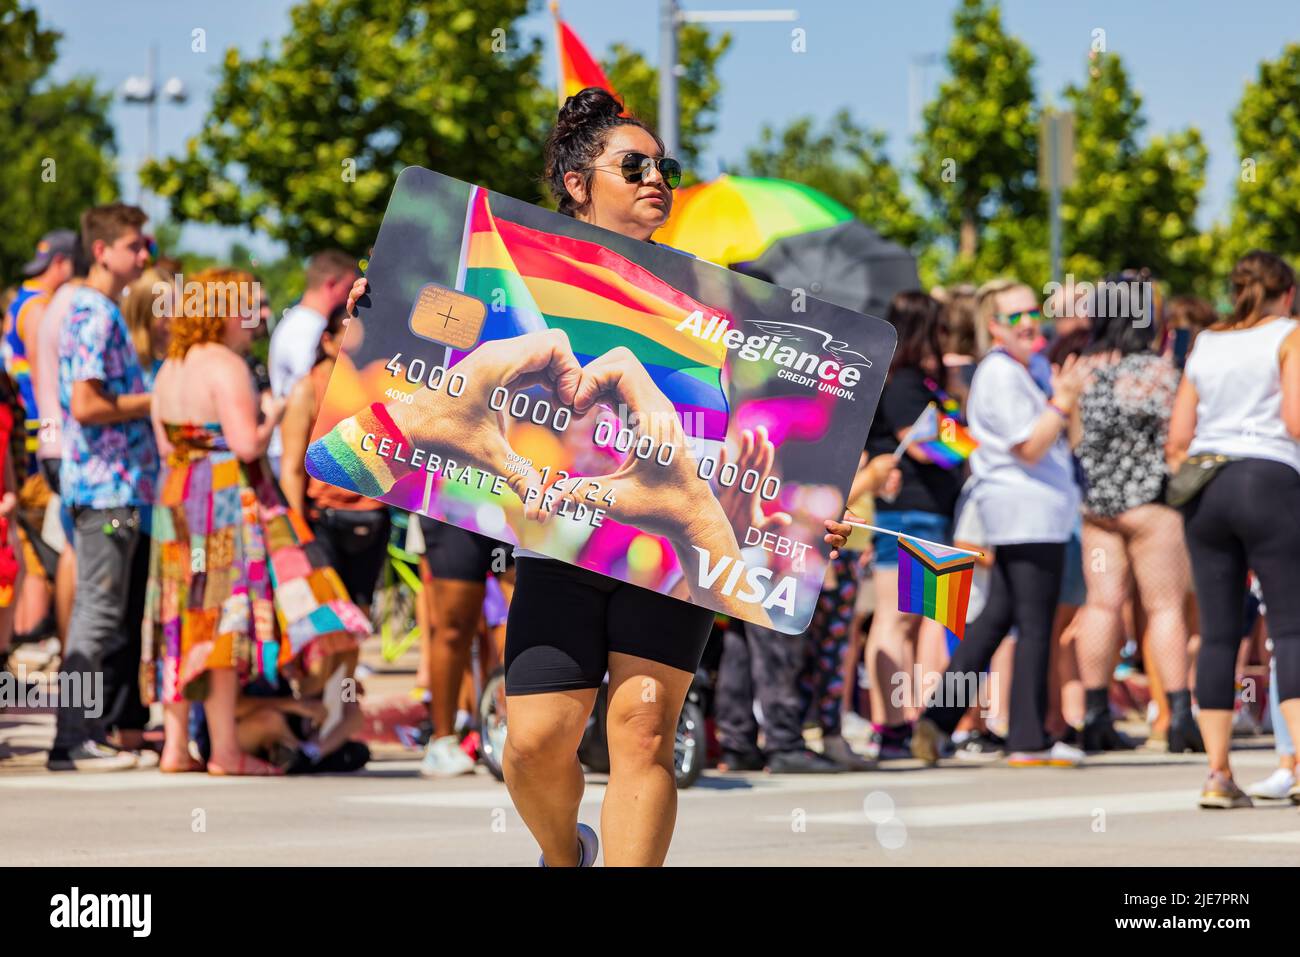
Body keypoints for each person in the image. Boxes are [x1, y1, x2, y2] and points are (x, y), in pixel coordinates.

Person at [341, 88, 852, 864]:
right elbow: (430, 337)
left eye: (665, 166)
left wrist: (790, 516)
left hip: (667, 556)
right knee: (534, 743)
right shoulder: (518, 273)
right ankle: (562, 853)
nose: (658, 178)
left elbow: (736, 454)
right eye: (634, 164)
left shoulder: (707, 303)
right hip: (559, 543)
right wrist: (378, 314)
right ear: (577, 184)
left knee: (644, 732)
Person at [143, 267, 372, 775]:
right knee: (221, 622)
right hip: (221, 503)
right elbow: (247, 444)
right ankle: (225, 751)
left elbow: (164, 445)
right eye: (249, 306)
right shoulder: (226, 365)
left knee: (180, 621)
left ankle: (176, 748)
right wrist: (274, 411)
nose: (258, 317)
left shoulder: (170, 367)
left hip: (176, 498)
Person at [911, 280, 1089, 767]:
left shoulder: (1027, 367)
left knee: (996, 621)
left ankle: (937, 719)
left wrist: (1063, 397)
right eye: (1016, 316)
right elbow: (1030, 447)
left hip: (1040, 510)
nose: (1030, 322)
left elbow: (1064, 442)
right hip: (1022, 511)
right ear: (994, 327)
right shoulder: (998, 373)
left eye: (1033, 312)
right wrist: (1064, 399)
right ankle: (1027, 739)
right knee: (1034, 624)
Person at [1166, 250, 1300, 809]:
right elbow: (1295, 420)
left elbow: (1178, 435)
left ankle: (1218, 773)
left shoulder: (1207, 342)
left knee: (1218, 632)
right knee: (1291, 628)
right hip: (1268, 479)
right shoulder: (1289, 334)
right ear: (1286, 293)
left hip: (1206, 486)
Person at [46, 204, 157, 771]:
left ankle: (84, 735)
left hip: (112, 487)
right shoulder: (93, 312)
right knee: (97, 616)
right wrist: (154, 400)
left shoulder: (96, 308)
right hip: (106, 487)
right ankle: (73, 740)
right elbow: (87, 405)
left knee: (105, 616)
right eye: (135, 246)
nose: (145, 256)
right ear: (101, 251)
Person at [1071, 281, 1201, 753]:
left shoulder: (1080, 370)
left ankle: (1094, 715)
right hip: (1150, 506)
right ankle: (1179, 718)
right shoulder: (1158, 373)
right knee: (1165, 607)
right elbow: (1181, 438)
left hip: (1095, 508)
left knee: (1102, 606)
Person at [862, 291, 964, 759]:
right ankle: (890, 726)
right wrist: (970, 441)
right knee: (896, 617)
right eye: (939, 327)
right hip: (907, 511)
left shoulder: (924, 383)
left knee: (925, 618)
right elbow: (929, 447)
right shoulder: (902, 382)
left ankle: (915, 724)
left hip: (932, 513)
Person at [279, 303, 390, 619]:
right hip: (324, 518)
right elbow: (291, 468)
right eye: (346, 333)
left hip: (371, 516)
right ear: (327, 340)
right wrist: (298, 533)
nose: (354, 341)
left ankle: (347, 672)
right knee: (328, 616)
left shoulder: (372, 381)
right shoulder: (307, 389)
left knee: (360, 614)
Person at [266, 250, 357, 475]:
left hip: (296, 451)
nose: (351, 298)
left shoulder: (302, 322)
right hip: (294, 455)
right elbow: (317, 388)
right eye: (348, 289)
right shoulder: (307, 328)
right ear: (331, 284)